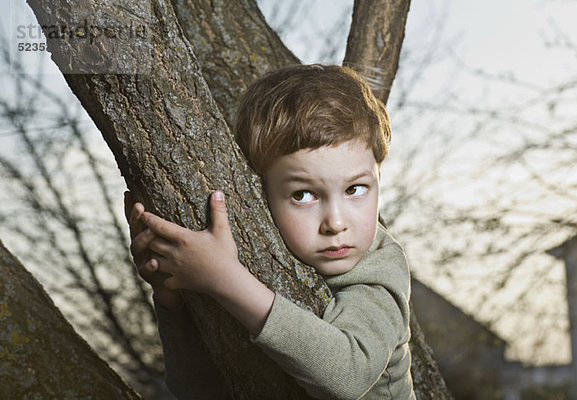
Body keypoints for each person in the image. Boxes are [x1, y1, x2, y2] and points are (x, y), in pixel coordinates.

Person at [125, 64, 415, 399]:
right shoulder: (250, 257)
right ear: (258, 195)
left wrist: (224, 278)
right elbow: (195, 390)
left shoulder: (379, 267)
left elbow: (349, 375)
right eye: (303, 195)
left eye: (355, 190)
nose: (335, 223)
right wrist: (170, 299)